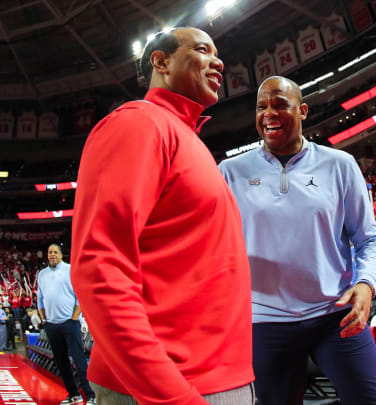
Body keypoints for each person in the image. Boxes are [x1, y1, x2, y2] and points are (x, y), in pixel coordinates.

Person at [71, 28, 254, 404]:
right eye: (203, 50)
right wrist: (171, 395)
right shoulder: (138, 125)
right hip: (173, 386)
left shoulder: (191, 141)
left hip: (220, 377)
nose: (218, 60)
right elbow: (99, 269)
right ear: (161, 61)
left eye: (218, 52)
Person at [219, 76, 376, 404]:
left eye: (280, 104)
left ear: (303, 111)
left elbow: (368, 238)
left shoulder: (339, 165)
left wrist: (367, 285)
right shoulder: (229, 172)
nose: (269, 113)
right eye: (261, 106)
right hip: (264, 321)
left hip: (334, 313)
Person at [37, 244, 94, 405]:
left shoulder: (70, 270)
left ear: (61, 255)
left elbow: (80, 294)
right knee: (61, 362)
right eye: (50, 252)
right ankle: (73, 394)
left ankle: (90, 395)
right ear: (47, 255)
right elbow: (39, 299)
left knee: (79, 360)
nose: (52, 254)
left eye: (55, 252)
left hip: (70, 323)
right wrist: (43, 320)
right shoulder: (42, 274)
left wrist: (75, 317)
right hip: (51, 325)